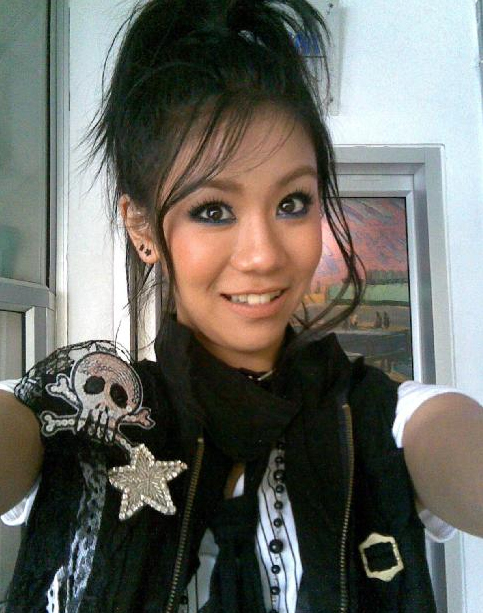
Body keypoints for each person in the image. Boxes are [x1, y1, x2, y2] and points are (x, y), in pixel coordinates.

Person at [0, 1, 482, 612]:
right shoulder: (84, 416)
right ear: (143, 228)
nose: (263, 255)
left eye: (292, 203)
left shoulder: (383, 421)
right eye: (213, 210)